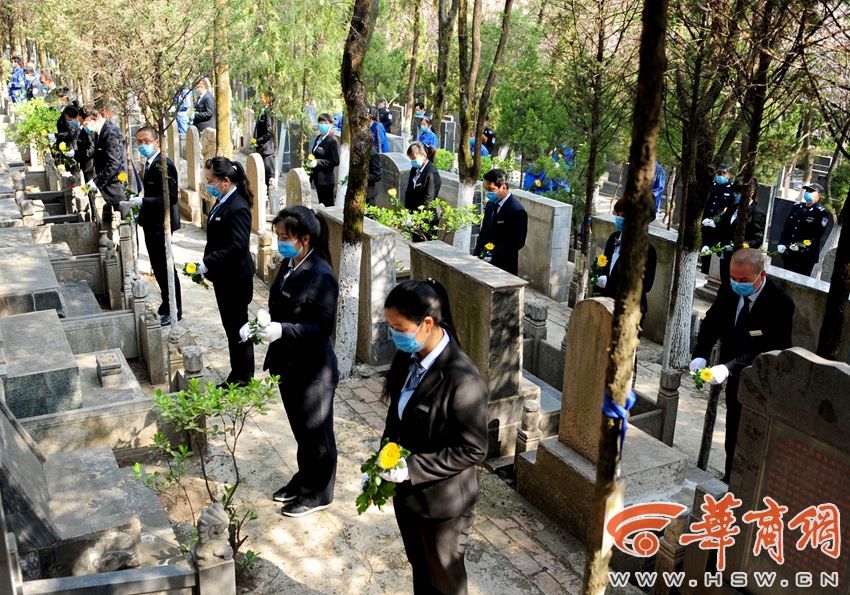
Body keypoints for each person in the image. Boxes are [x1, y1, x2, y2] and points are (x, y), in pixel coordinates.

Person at [379, 279, 488, 595]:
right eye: (391, 327)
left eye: (399, 328)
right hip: (408, 497)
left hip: (443, 506)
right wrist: (382, 459)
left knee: (444, 583)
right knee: (420, 570)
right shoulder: (409, 358)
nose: (394, 335)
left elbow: (473, 449)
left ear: (427, 324)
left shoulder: (462, 380)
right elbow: (397, 416)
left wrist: (410, 469)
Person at [242, 206, 339, 518]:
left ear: (304, 239)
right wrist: (258, 326)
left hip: (313, 370)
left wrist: (282, 330)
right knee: (302, 431)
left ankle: (320, 492)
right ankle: (305, 478)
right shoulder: (289, 263)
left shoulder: (321, 276)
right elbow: (281, 305)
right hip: (287, 364)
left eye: (285, 237)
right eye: (279, 236)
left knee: (317, 434)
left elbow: (321, 328)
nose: (280, 242)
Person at [690, 249, 794, 483]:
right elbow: (713, 321)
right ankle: (730, 479)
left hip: (763, 382)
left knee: (754, 435)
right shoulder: (730, 289)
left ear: (761, 275)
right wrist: (701, 355)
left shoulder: (780, 303)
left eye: (744, 280)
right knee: (733, 429)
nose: (737, 284)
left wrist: (728, 367)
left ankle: (749, 484)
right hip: (735, 379)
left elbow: (771, 348)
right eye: (733, 278)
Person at [195, 157, 255, 387]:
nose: (208, 185)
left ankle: (242, 377)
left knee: (238, 328)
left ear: (226, 181)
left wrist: (209, 262)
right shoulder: (223, 199)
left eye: (211, 181)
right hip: (225, 276)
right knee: (232, 328)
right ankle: (239, 372)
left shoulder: (238, 206)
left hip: (235, 279)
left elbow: (238, 246)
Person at [125, 126, 182, 325]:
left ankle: (175, 309)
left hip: (161, 223)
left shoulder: (164, 164)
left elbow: (171, 197)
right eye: (139, 142)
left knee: (165, 267)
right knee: (158, 267)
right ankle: (167, 304)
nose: (142, 145)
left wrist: (144, 202)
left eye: (146, 141)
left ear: (156, 142)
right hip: (151, 222)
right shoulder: (150, 162)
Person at [595, 198, 657, 321]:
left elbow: (645, 285)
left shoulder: (647, 250)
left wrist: (610, 283)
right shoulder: (613, 238)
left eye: (623, 216)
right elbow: (605, 265)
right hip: (606, 304)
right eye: (618, 215)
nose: (619, 219)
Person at [79, 105, 127, 235]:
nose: (84, 127)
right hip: (108, 184)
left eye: (85, 124)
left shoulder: (110, 133)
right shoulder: (99, 132)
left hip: (117, 184)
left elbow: (114, 163)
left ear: (93, 118)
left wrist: (96, 182)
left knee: (125, 224)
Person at [474, 168, 528, 276]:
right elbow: (484, 231)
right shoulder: (490, 205)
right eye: (486, 189)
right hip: (483, 265)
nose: (488, 193)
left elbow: (517, 243)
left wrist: (493, 255)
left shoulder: (517, 211)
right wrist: (477, 254)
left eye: (492, 189)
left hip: (503, 267)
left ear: (503, 187)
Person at [716, 178, 766, 287]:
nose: (738, 195)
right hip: (725, 256)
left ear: (751, 193)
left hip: (740, 259)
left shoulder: (757, 214)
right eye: (737, 192)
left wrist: (743, 244)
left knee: (733, 289)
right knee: (724, 285)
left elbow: (757, 239)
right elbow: (722, 228)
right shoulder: (732, 208)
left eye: (740, 192)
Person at [777, 182, 831, 277]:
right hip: (789, 252)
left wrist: (800, 245)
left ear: (819, 195)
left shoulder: (821, 212)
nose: (807, 193)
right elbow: (787, 227)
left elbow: (816, 236)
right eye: (807, 190)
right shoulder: (796, 207)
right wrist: (782, 242)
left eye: (811, 191)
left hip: (805, 256)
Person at [699, 164, 735, 274]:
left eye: (723, 173)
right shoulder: (712, 186)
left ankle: (712, 273)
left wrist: (717, 221)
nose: (721, 175)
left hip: (719, 227)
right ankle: (704, 269)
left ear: (729, 175)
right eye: (719, 173)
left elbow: (729, 209)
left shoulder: (731, 190)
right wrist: (704, 218)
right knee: (704, 249)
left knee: (715, 252)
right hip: (706, 224)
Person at [404, 142, 442, 242]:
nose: (412, 161)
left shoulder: (431, 173)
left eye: (414, 158)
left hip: (427, 218)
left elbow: (428, 200)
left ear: (423, 155)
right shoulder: (414, 169)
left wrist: (418, 218)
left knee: (424, 245)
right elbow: (409, 191)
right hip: (415, 216)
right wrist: (407, 213)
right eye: (410, 158)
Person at [307, 113, 340, 207]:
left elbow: (335, 161)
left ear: (331, 125)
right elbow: (315, 153)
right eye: (321, 123)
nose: (322, 125)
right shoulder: (319, 138)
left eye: (325, 123)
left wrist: (317, 162)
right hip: (317, 179)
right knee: (321, 205)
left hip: (326, 181)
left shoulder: (332, 141)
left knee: (328, 207)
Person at [253, 93, 277, 193]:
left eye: (263, 96)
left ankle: (269, 197)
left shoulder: (268, 112)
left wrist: (258, 140)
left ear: (268, 99)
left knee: (268, 176)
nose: (260, 98)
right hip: (261, 148)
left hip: (267, 149)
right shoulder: (262, 111)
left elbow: (269, 132)